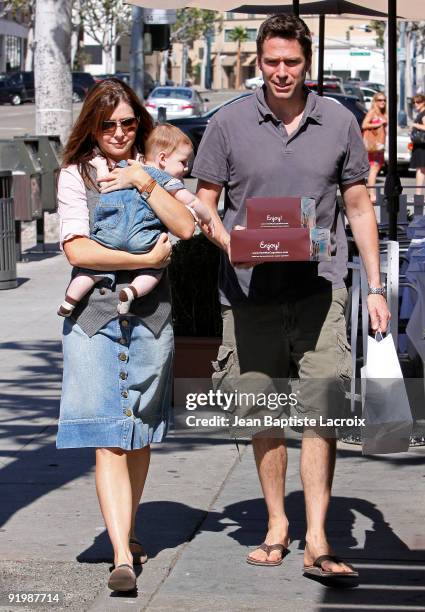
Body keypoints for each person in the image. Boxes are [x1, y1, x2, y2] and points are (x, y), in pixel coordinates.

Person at [192, 14, 390, 579]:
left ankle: (319, 538)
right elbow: (204, 201)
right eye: (272, 61)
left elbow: (358, 207)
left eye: (293, 62)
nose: (282, 72)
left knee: (322, 406)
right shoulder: (228, 123)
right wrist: (230, 242)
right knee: (264, 410)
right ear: (259, 61)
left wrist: (375, 287)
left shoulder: (339, 121)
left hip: (320, 290)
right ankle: (278, 523)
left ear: (309, 65)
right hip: (249, 293)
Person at [56, 78, 195, 592]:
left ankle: (129, 529)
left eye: (128, 123)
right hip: (93, 319)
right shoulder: (76, 173)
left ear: (140, 122)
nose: (118, 132)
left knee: (137, 433)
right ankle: (120, 554)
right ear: (92, 125)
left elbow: (184, 227)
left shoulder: (154, 168)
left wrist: (146, 182)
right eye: (107, 124)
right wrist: (142, 261)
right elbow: (78, 252)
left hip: (150, 318)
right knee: (107, 435)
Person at [57, 123, 213, 318]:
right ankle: (131, 292)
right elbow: (190, 201)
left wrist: (99, 166)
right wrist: (206, 216)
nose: (187, 167)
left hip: (108, 235)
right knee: (154, 270)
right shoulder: (166, 180)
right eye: (183, 162)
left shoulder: (126, 167)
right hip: (142, 240)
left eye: (128, 123)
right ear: (163, 158)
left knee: (89, 271)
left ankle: (69, 300)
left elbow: (104, 182)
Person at [362, 92, 387, 203]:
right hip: (373, 146)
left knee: (375, 169)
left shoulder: (382, 113)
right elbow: (364, 125)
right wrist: (378, 124)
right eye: (380, 100)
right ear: (375, 101)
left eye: (384, 100)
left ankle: (370, 193)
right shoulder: (372, 112)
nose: (382, 102)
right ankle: (371, 194)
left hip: (379, 145)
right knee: (374, 169)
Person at [410, 94, 425, 195]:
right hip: (419, 145)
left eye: (418, 102)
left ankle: (418, 194)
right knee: (421, 169)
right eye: (414, 102)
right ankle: (419, 194)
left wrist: (414, 125)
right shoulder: (420, 113)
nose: (416, 104)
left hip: (422, 146)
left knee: (420, 169)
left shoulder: (423, 114)